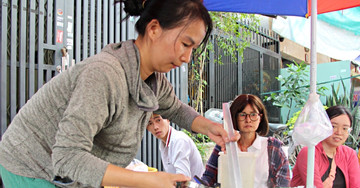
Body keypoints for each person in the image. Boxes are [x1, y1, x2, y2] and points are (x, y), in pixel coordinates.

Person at [0, 0, 239, 187]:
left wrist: (209, 128)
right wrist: (147, 180)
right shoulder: (105, 75)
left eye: (193, 49)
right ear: (154, 29)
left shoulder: (153, 78)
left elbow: (175, 108)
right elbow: (67, 157)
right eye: (185, 44)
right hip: (32, 166)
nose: (187, 58)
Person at [201, 94, 290, 187]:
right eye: (242, 115)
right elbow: (208, 178)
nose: (248, 120)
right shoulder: (224, 145)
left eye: (253, 114)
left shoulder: (272, 147)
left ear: (260, 118)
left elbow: (283, 183)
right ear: (234, 117)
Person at [291, 105, 360, 188]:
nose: (339, 132)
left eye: (345, 128)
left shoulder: (349, 154)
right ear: (323, 126)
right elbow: (315, 186)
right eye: (333, 126)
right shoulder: (309, 152)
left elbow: (355, 185)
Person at [146, 113, 204, 179]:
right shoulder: (163, 144)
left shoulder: (179, 140)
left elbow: (183, 179)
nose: (155, 127)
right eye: (150, 123)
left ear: (168, 119)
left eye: (158, 120)